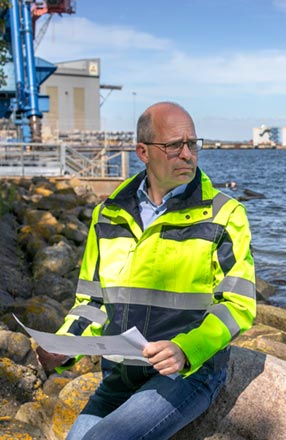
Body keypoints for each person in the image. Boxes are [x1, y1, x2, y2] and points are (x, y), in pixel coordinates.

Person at [36, 101, 256, 439]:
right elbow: (91, 303)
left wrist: (187, 350)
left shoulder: (224, 214)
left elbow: (238, 305)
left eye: (192, 144)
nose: (187, 154)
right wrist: (63, 347)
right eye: (173, 145)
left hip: (187, 375)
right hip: (120, 376)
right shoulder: (108, 214)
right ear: (143, 151)